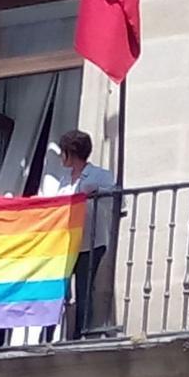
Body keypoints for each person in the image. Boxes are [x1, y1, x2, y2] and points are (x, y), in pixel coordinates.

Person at [40, 130, 117, 341]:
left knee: (84, 290)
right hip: (64, 244)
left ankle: (79, 335)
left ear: (70, 153)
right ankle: (49, 335)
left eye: (63, 152)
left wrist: (98, 191)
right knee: (58, 290)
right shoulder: (64, 180)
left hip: (90, 243)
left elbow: (119, 203)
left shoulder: (100, 175)